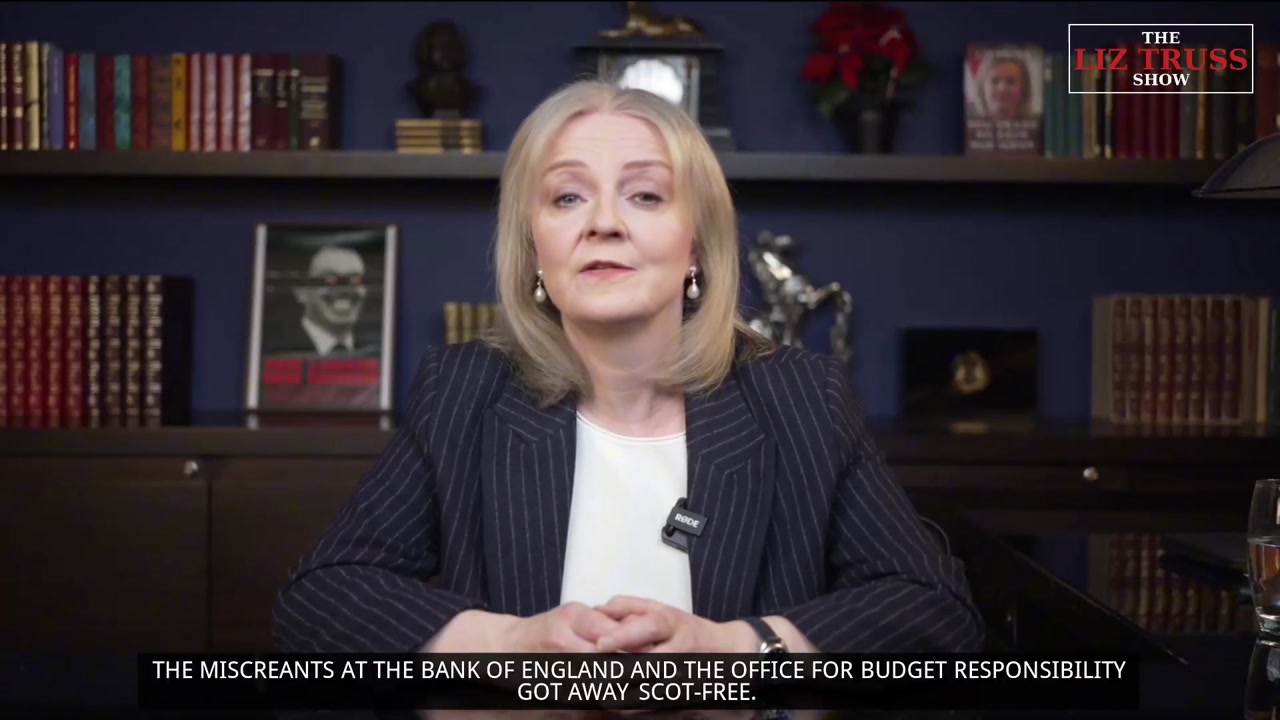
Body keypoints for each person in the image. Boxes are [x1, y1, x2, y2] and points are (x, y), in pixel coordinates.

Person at [273, 79, 985, 656]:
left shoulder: (801, 397)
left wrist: (740, 654)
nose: (604, 222)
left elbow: (937, 611)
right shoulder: (464, 391)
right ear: (536, 249)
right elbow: (320, 599)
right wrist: (505, 647)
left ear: (697, 245)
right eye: (567, 196)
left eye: (645, 194)